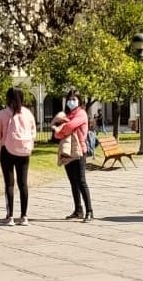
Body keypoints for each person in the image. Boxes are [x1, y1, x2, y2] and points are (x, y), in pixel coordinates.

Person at [0, 87, 36, 227]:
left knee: (9, 184)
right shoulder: (28, 113)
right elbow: (33, 132)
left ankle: (10, 216)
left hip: (7, 150)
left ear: (8, 98)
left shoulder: (2, 114)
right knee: (23, 184)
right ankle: (24, 216)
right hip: (24, 151)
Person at [52, 91, 93, 222]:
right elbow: (57, 135)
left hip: (79, 150)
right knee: (73, 182)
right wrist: (61, 129)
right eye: (69, 99)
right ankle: (78, 210)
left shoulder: (81, 114)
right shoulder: (68, 115)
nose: (71, 101)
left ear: (79, 101)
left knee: (81, 181)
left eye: (74, 99)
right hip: (68, 151)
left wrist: (61, 127)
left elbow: (69, 127)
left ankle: (89, 211)